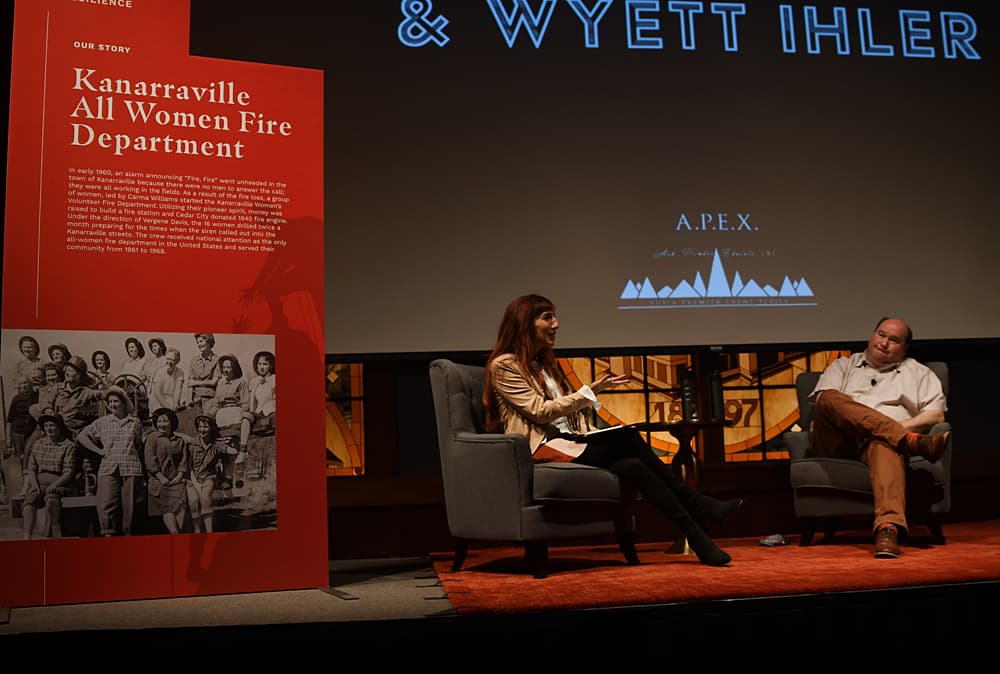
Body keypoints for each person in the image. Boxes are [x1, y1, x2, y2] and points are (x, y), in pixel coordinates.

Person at [483, 294, 742, 566]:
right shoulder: (505, 366)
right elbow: (539, 411)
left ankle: (698, 538)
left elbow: (571, 416)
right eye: (548, 318)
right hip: (542, 447)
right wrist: (588, 393)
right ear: (525, 322)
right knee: (628, 437)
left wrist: (590, 423)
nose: (556, 324)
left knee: (633, 466)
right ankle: (697, 504)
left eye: (555, 317)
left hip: (570, 441)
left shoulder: (545, 364)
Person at [808, 316, 950, 559]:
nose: (884, 343)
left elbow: (936, 415)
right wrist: (900, 434)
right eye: (881, 335)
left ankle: (888, 530)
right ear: (872, 336)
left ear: (904, 348)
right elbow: (823, 403)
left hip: (877, 445)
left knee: (885, 442)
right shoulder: (843, 366)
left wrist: (892, 430)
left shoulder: (919, 372)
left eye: (894, 340)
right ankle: (908, 441)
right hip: (837, 443)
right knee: (828, 397)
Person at [75, 385, 145, 537]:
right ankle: (108, 534)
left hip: (131, 467)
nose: (113, 404)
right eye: (110, 402)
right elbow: (81, 436)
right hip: (108, 467)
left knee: (130, 506)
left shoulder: (134, 422)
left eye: (116, 401)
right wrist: (99, 451)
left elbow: (139, 445)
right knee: (106, 504)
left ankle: (128, 537)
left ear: (124, 403)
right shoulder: (102, 422)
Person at [21, 413, 77, 539]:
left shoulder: (67, 445)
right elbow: (32, 469)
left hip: (60, 482)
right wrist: (34, 485)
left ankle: (56, 532)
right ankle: (27, 537)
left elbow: (68, 472)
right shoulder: (38, 444)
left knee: (51, 498)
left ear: (59, 427)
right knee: (29, 501)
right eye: (46, 426)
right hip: (40, 481)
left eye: (52, 425)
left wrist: (54, 485)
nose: (48, 429)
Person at [186, 414, 239, 533]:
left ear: (211, 428)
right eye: (200, 427)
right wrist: (195, 483)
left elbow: (231, 451)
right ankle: (197, 532)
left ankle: (209, 532)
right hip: (192, 478)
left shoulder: (215, 444)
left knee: (205, 498)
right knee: (193, 501)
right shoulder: (192, 444)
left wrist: (234, 452)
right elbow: (189, 467)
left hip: (208, 477)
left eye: (205, 427)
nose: (202, 430)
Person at [144, 408, 190, 534]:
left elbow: (183, 461)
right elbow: (150, 461)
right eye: (159, 421)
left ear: (172, 422)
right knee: (169, 508)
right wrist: (162, 478)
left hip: (176, 481)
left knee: (181, 507)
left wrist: (179, 476)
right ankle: (175, 536)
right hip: (159, 481)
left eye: (165, 421)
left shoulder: (179, 440)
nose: (161, 424)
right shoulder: (152, 438)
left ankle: (175, 537)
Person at [186, 333, 220, 413]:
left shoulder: (217, 359)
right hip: (196, 399)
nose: (199, 344)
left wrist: (195, 383)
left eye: (201, 341)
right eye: (197, 342)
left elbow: (214, 382)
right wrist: (189, 400)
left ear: (209, 342)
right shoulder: (194, 360)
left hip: (210, 399)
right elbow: (190, 383)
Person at [148, 347, 186, 412]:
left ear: (177, 361)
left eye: (172, 360)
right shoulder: (159, 372)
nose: (169, 362)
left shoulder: (180, 373)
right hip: (157, 402)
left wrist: (175, 406)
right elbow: (157, 393)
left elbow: (177, 391)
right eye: (167, 359)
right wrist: (167, 408)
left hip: (170, 400)